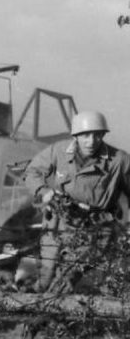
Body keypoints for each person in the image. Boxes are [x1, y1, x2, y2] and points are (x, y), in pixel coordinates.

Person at [20, 110, 130, 295]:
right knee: (45, 278)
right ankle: (25, 309)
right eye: (85, 135)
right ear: (76, 136)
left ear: (103, 135)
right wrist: (44, 191)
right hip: (57, 224)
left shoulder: (118, 161)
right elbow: (32, 172)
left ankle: (47, 320)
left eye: (97, 135)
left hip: (94, 230)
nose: (91, 141)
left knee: (66, 280)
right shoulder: (58, 151)